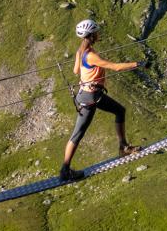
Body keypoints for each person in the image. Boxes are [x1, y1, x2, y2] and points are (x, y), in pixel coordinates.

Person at [59, 19, 145, 181]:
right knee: (78, 133)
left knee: (119, 110)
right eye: (96, 32)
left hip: (92, 95)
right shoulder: (90, 55)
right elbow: (115, 67)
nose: (98, 34)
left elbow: (76, 70)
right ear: (91, 35)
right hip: (91, 98)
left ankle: (123, 147)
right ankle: (65, 170)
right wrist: (138, 63)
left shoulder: (81, 51)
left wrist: (87, 78)